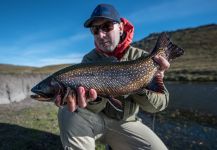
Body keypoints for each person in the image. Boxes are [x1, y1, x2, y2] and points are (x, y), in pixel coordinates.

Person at [55, 4, 170, 150]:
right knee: (67, 110)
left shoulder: (144, 59)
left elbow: (160, 105)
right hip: (96, 120)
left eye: (107, 26)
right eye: (95, 30)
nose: (101, 35)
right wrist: (94, 99)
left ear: (121, 27)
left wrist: (144, 83)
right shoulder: (89, 60)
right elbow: (89, 109)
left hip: (127, 123)